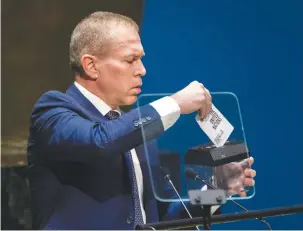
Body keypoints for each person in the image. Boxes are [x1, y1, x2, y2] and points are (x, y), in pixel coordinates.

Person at [27, 11, 256, 230]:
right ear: (91, 66)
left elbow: (167, 214)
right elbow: (98, 141)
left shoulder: (138, 131)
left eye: (141, 59)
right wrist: (174, 103)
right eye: (130, 60)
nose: (142, 70)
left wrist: (218, 190)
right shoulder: (52, 110)